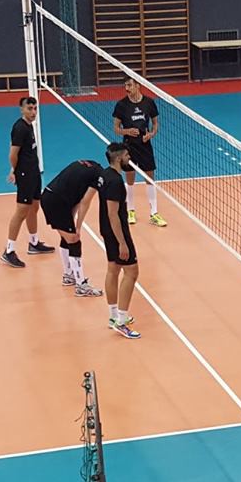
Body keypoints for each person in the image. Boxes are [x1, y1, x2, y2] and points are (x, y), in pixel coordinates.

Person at [93, 143, 142, 339]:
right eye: (127, 155)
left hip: (107, 230)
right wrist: (122, 242)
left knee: (113, 269)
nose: (129, 158)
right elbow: (113, 214)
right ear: (119, 157)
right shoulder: (114, 181)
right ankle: (121, 320)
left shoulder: (104, 175)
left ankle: (114, 316)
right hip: (116, 232)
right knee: (132, 272)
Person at [38, 157, 107, 298]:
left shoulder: (88, 164)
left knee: (67, 238)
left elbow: (75, 198)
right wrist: (78, 226)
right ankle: (81, 285)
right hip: (56, 202)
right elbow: (85, 202)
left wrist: (72, 220)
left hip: (51, 197)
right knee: (74, 241)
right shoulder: (98, 177)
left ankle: (69, 275)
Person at [3, 97, 52, 267]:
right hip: (25, 174)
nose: (33, 112)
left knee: (34, 207)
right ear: (21, 109)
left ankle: (33, 242)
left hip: (33, 173)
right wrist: (15, 171)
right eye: (29, 109)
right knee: (22, 210)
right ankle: (9, 251)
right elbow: (12, 153)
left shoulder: (28, 126)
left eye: (35, 109)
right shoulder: (19, 128)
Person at [110, 79, 165, 228]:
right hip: (129, 146)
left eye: (129, 85)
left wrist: (151, 134)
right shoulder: (121, 105)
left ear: (137, 86)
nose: (127, 88)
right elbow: (116, 128)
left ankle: (154, 213)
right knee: (130, 179)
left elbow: (155, 124)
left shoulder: (149, 102)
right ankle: (130, 211)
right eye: (125, 86)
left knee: (150, 178)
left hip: (145, 145)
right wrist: (126, 131)